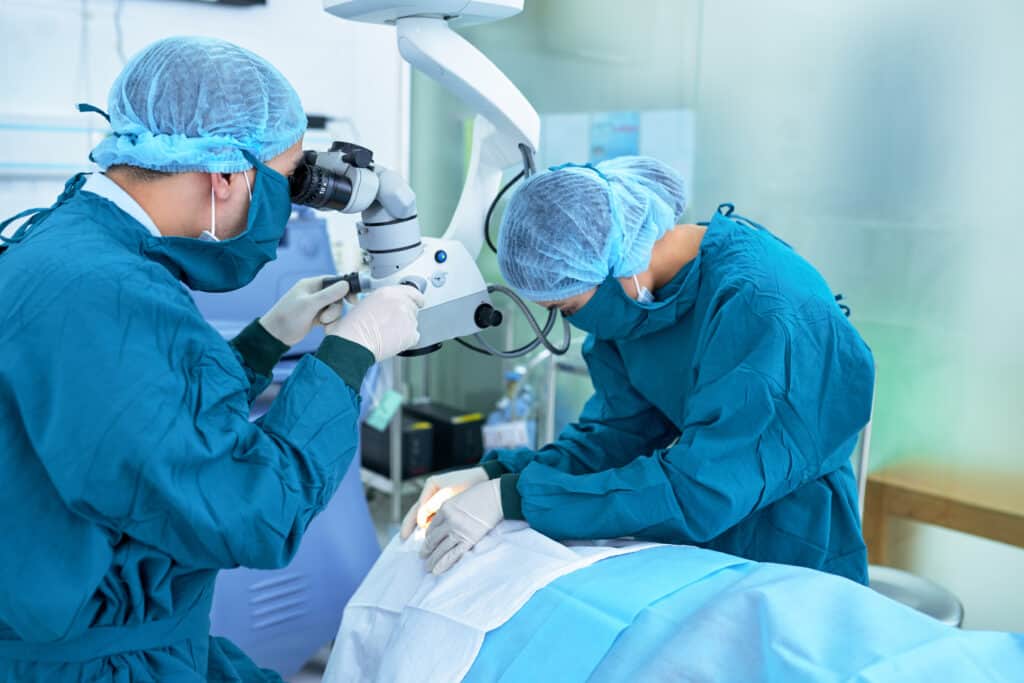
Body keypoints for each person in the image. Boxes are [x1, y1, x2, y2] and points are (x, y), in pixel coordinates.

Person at [0, 37, 423, 681]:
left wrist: (265, 340)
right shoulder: (111, 296)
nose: (282, 211)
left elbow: (139, 423)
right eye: (283, 183)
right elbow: (253, 510)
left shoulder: (71, 245)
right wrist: (348, 352)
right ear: (226, 177)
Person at [403, 157, 875, 584]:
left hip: (791, 553)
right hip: (699, 551)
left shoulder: (764, 308)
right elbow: (611, 440)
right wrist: (494, 474)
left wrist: (516, 499)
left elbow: (700, 489)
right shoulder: (636, 307)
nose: (567, 325)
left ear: (617, 259)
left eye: (566, 307)